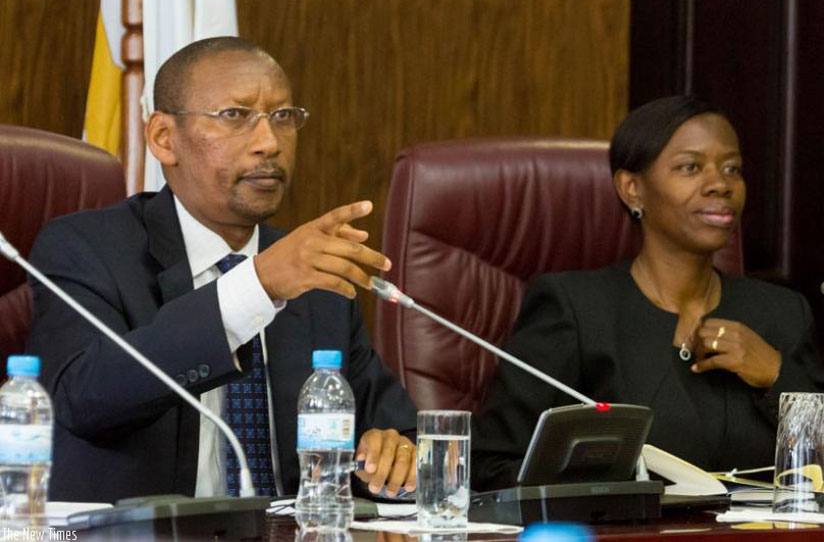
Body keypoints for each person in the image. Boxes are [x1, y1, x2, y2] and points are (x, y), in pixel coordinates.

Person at [26, 36, 417, 503]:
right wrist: (255, 287)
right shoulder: (85, 248)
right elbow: (84, 399)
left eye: (283, 117)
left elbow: (387, 431)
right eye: (235, 116)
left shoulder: (313, 271)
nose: (268, 142)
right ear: (163, 139)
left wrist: (393, 456)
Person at [472, 95, 824, 491]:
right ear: (632, 189)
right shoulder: (574, 309)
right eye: (691, 167)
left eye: (732, 169)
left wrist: (776, 375)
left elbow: (816, 467)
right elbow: (492, 467)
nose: (720, 184)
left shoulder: (782, 312)